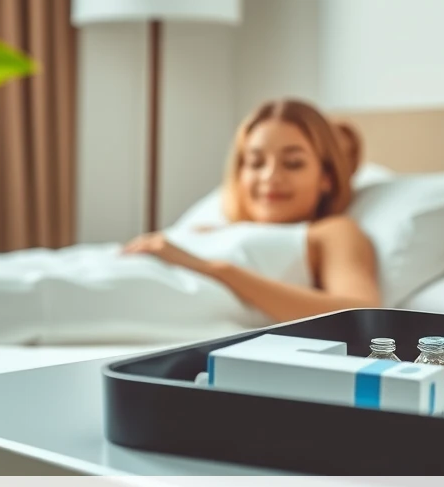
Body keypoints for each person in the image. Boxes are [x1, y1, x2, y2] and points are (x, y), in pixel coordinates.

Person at [122, 98, 381, 323]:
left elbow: (361, 314)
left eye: (292, 163)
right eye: (255, 163)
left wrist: (215, 269)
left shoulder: (331, 231)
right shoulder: (213, 228)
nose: (270, 176)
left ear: (327, 176)